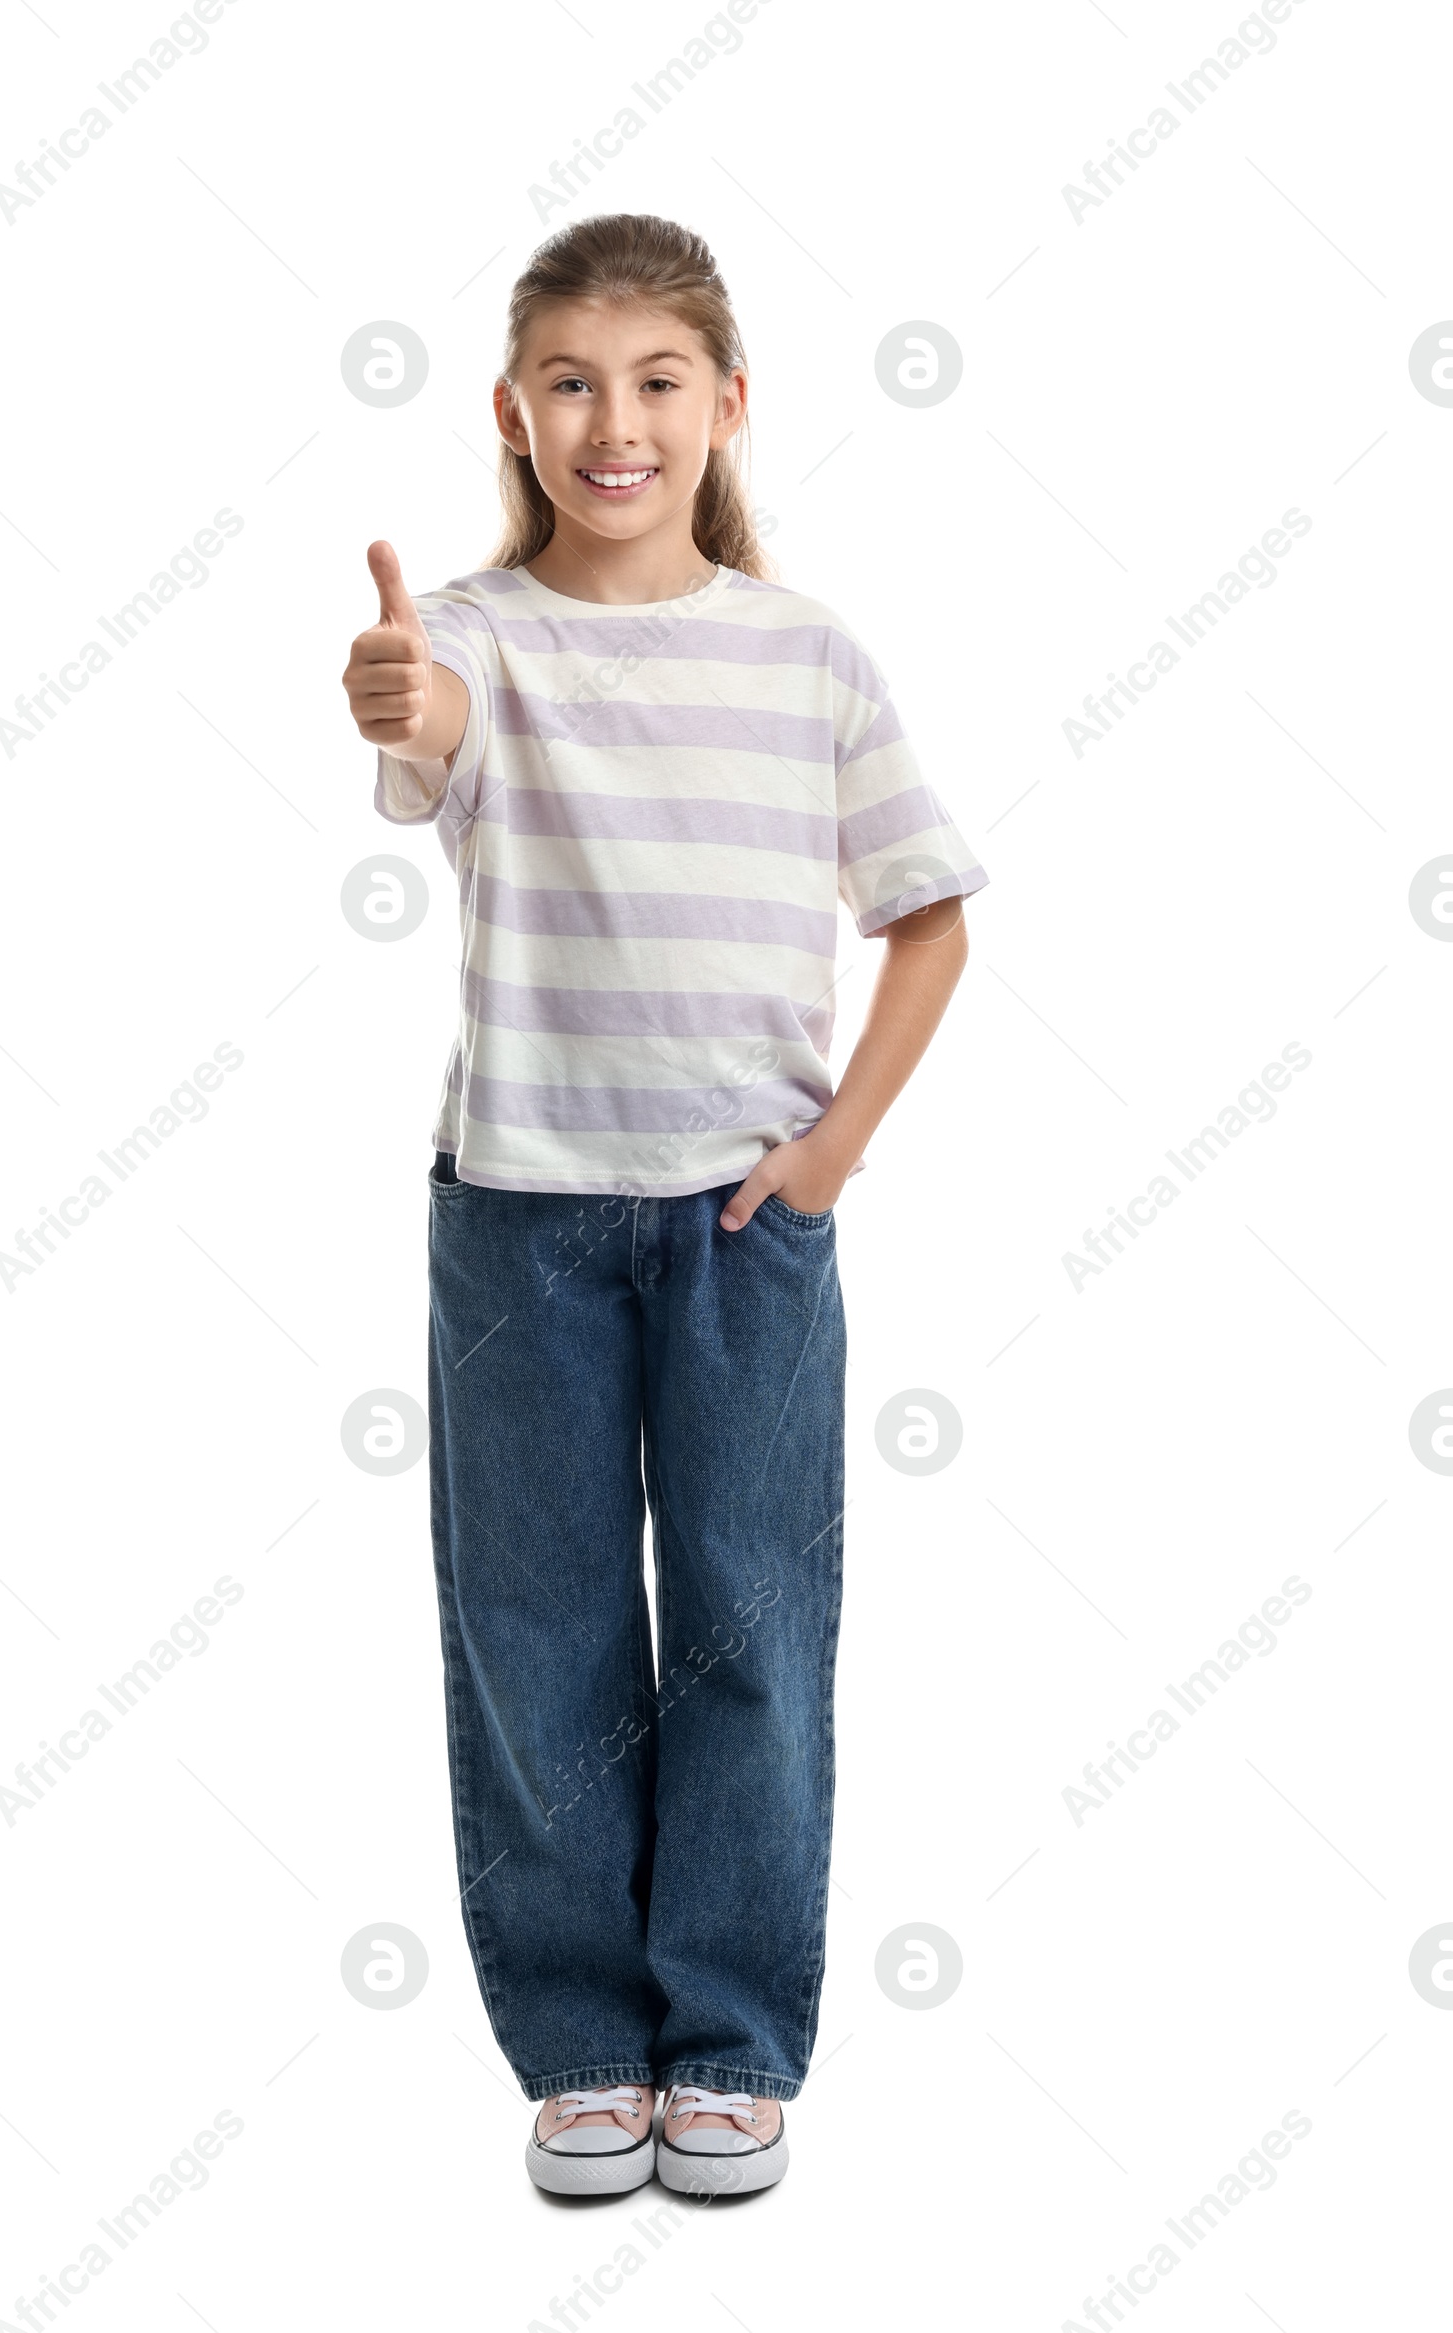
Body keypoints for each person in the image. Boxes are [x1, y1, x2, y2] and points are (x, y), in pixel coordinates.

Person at [341, 212, 989, 2197]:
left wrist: (828, 1156)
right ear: (511, 411)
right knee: (534, 1635)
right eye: (567, 381)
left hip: (741, 1227)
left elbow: (930, 915)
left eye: (651, 382)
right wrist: (396, 696)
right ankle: (578, 2045)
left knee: (746, 1632)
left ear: (721, 406)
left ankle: (726, 2037)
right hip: (519, 1220)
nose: (609, 424)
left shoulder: (804, 656)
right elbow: (424, 730)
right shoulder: (463, 636)